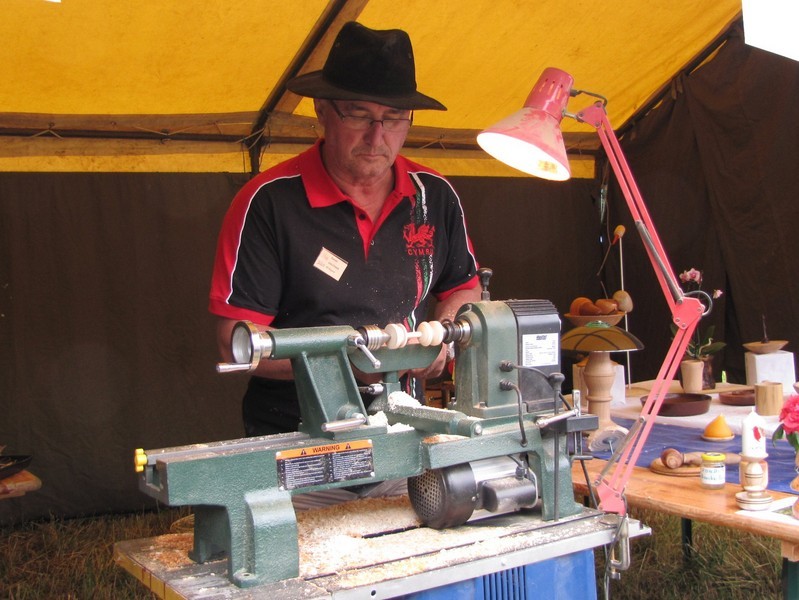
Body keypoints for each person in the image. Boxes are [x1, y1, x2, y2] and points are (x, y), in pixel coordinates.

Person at [209, 21, 480, 437]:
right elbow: (236, 341)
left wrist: (443, 334)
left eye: (394, 118)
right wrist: (354, 362)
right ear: (322, 110)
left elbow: (463, 286)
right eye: (359, 114)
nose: (377, 136)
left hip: (403, 424)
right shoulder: (268, 203)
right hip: (296, 434)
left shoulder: (434, 197)